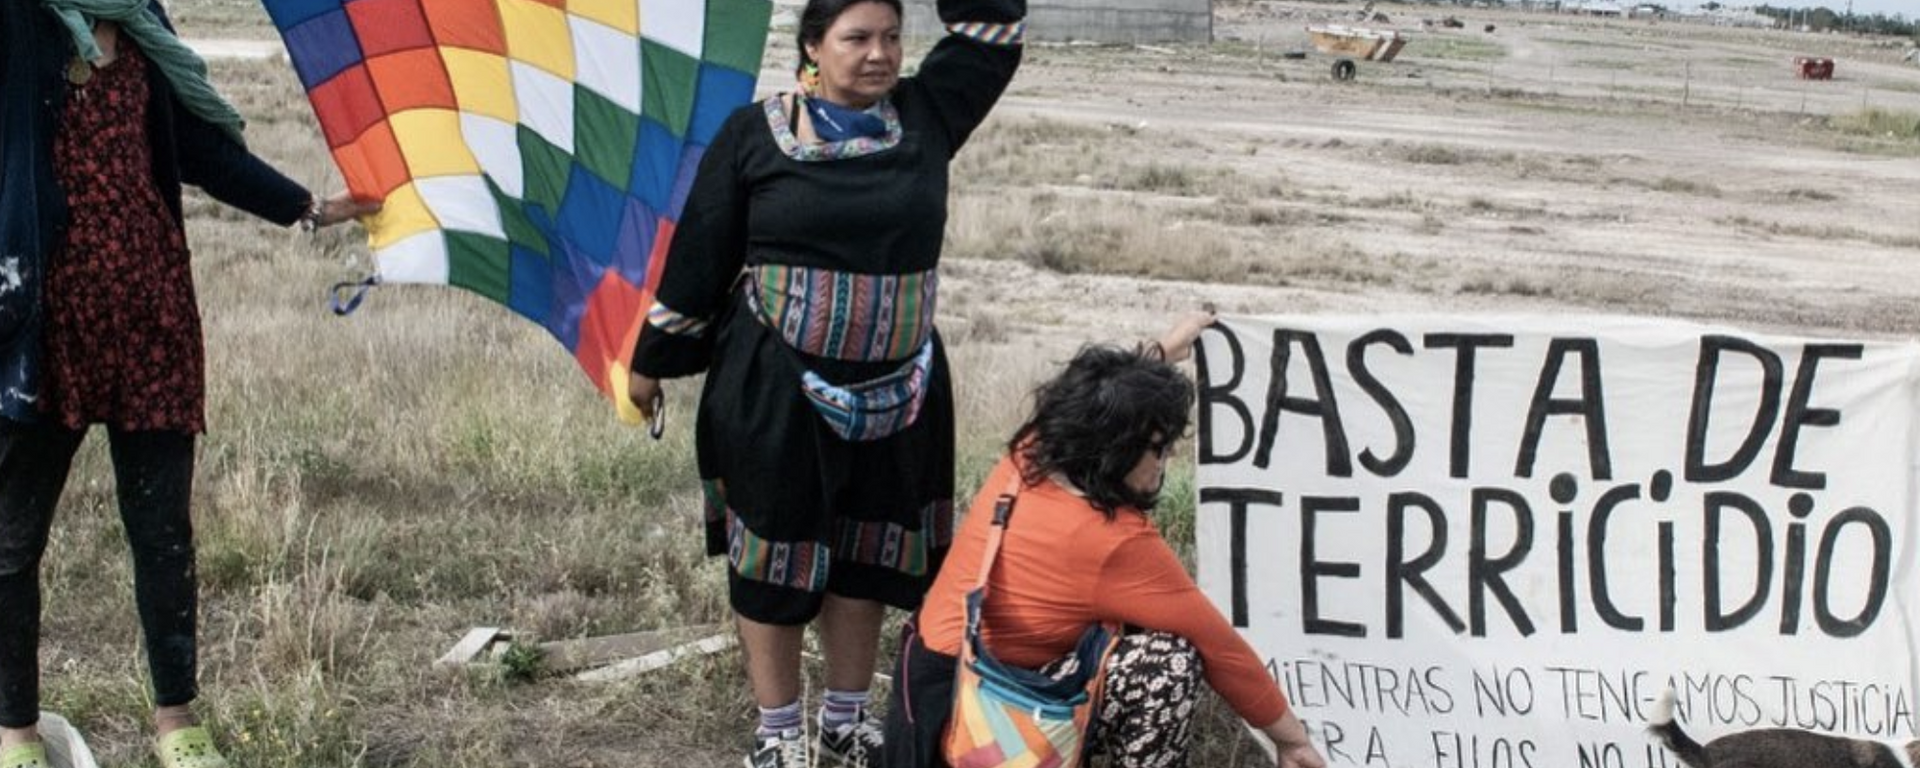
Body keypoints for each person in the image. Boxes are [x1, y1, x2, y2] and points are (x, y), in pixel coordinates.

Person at [623, 0, 1024, 763]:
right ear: (813, 46)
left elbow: (990, 35)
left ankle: (845, 722)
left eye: (892, 37)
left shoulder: (928, 115)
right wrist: (653, 361)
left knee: (867, 553)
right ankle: (780, 736)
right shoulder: (754, 134)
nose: (880, 54)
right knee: (771, 556)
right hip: (775, 388)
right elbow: (702, 249)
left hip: (900, 390)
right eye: (858, 38)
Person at [0, 3, 376, 768]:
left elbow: (200, 149)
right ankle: (16, 737)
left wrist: (306, 205)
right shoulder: (15, 21)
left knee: (164, 533)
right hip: (42, 335)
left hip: (152, 322)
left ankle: (178, 725)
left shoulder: (142, 24)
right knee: (10, 541)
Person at [881, 312, 1330, 768]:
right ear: (1117, 450)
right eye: (1158, 446)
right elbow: (1221, 648)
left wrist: (1163, 350)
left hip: (927, 700)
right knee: (1168, 662)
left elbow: (1095, 400)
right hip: (984, 732)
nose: (1166, 458)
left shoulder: (1032, 452)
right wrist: (1292, 740)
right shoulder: (1111, 541)